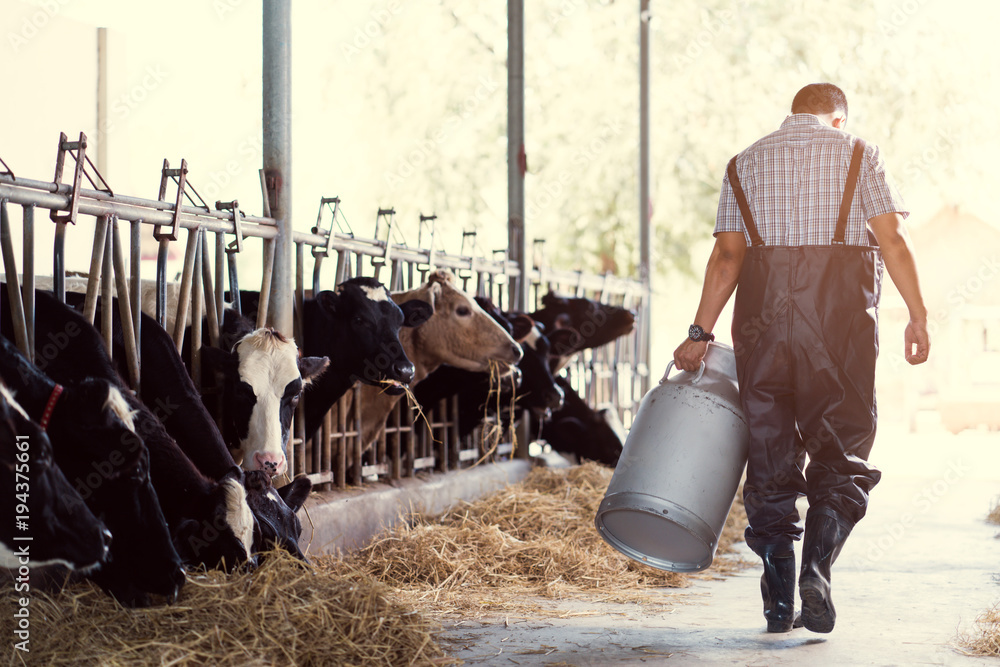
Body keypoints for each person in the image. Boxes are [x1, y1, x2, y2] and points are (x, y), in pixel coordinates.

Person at [673, 83, 930, 634]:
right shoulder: (860, 152)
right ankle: (816, 567)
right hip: (838, 326)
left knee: (769, 451)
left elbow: (727, 257)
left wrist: (700, 332)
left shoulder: (744, 163)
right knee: (842, 447)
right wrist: (918, 314)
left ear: (794, 115)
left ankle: (776, 597)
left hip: (762, 327)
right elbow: (894, 240)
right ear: (839, 119)